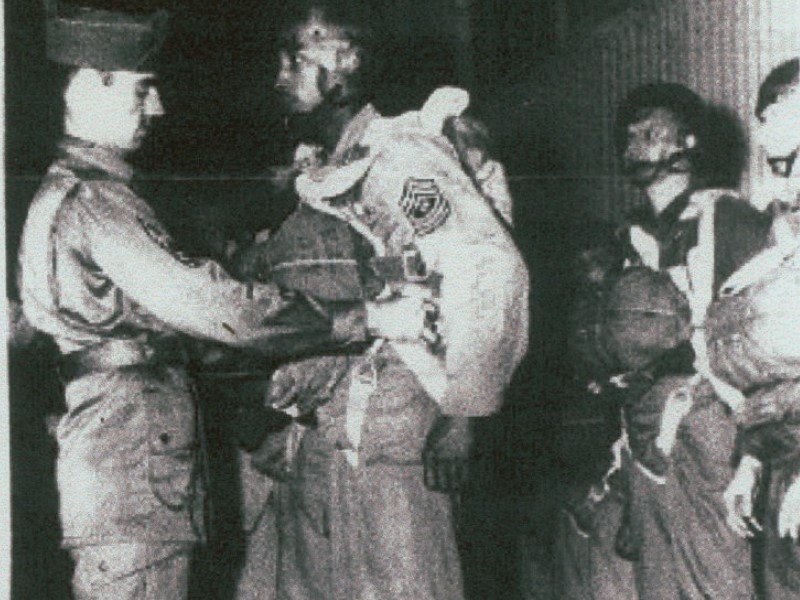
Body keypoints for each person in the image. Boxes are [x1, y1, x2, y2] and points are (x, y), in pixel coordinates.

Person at [18, 4, 423, 598]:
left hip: (127, 463)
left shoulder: (77, 194)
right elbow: (213, 305)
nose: (156, 108)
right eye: (142, 90)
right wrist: (362, 319)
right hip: (131, 473)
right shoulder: (96, 202)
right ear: (90, 85)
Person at [233, 3, 529, 599]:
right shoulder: (328, 171)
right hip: (334, 432)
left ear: (345, 61)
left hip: (399, 434)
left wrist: (465, 409)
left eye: (295, 58)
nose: (279, 76)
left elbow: (487, 263)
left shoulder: (401, 157)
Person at [562, 82, 768, 600]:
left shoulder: (731, 221)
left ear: (690, 142)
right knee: (657, 582)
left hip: (711, 425)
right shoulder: (624, 240)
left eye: (652, 132)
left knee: (720, 578)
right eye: (629, 136)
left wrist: (753, 453)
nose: (636, 145)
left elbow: (762, 348)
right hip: (643, 431)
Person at [717, 57, 800, 599]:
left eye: (783, 112)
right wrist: (750, 460)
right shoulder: (782, 230)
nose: (767, 128)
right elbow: (773, 368)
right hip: (783, 467)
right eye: (764, 115)